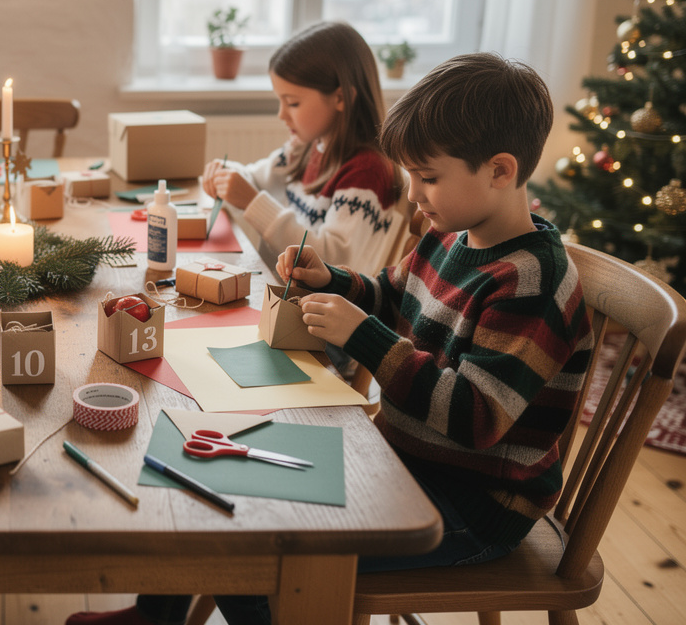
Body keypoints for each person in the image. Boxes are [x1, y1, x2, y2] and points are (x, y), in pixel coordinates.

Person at [68, 53, 594, 625]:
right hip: (403, 459)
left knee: (253, 558)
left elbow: (473, 418)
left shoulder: (531, 282)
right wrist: (335, 280)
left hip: (473, 504)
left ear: (500, 171)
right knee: (209, 478)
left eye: (429, 178)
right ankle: (155, 615)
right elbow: (393, 292)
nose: (412, 194)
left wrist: (364, 337)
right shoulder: (454, 234)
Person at [200, 21, 403, 275]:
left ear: (340, 98)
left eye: (293, 103)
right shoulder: (308, 146)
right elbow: (255, 177)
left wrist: (252, 202)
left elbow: (331, 260)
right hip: (276, 289)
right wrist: (226, 173)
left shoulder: (366, 173)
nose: (281, 114)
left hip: (309, 307)